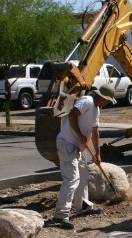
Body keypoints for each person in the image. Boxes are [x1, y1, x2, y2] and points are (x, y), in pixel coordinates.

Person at [47, 84, 117, 230]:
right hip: (67, 144)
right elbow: (72, 114)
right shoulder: (87, 101)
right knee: (72, 178)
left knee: (84, 176)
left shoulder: (96, 109)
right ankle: (60, 215)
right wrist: (79, 135)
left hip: (78, 147)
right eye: (108, 100)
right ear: (102, 97)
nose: (108, 103)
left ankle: (83, 206)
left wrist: (97, 153)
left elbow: (95, 131)